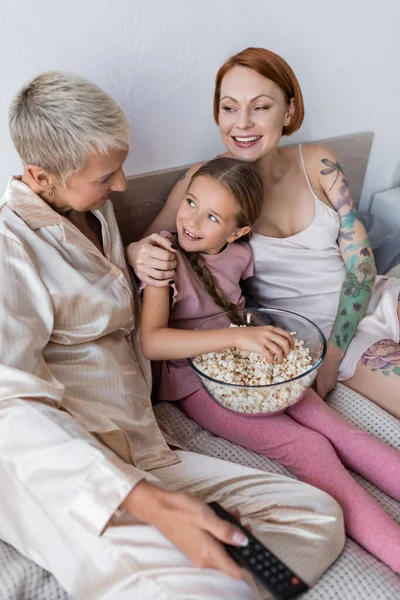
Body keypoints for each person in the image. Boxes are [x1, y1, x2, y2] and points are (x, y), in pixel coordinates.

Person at [0, 71, 345, 600]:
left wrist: (133, 256)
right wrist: (146, 502)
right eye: (106, 177)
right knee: (209, 588)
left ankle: (216, 572)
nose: (121, 186)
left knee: (317, 515)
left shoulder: (90, 207)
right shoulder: (10, 253)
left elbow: (113, 287)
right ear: (40, 177)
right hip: (79, 471)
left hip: (144, 442)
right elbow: (10, 407)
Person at [140, 155, 400, 573]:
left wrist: (265, 335)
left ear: (239, 231)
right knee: (309, 445)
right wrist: (240, 335)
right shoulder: (163, 261)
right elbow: (151, 341)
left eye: (211, 216)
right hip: (199, 382)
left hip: (260, 367)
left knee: (337, 429)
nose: (191, 220)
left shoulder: (241, 255)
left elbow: (283, 287)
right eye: (189, 203)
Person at [128, 47, 400, 418]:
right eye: (229, 107)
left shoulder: (319, 163)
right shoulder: (205, 185)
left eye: (260, 107)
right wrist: (134, 254)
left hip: (377, 297)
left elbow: (362, 266)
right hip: (320, 330)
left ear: (288, 110)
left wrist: (331, 358)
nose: (242, 123)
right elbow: (148, 245)